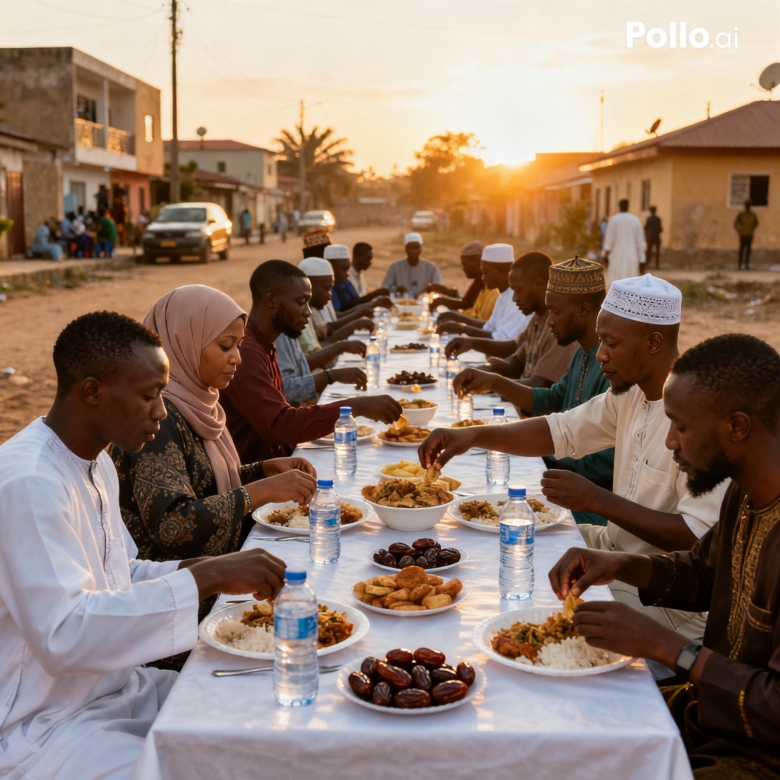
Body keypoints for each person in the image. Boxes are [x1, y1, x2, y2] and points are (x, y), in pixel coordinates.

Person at [0, 310, 289, 779]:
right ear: (92, 391)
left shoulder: (97, 463)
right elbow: (64, 635)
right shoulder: (29, 481)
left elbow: (120, 574)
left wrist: (216, 565)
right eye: (150, 395)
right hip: (42, 727)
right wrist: (207, 576)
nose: (161, 410)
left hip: (118, 692)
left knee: (254, 715)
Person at [420, 274, 728, 641]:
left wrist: (597, 500)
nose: (599, 355)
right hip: (612, 547)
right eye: (601, 341)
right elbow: (559, 430)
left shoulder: (701, 420)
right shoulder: (629, 394)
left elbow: (697, 540)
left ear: (654, 343)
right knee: (509, 540)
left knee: (540, 617)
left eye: (610, 343)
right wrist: (473, 435)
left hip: (665, 593)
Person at [549, 334, 780, 778]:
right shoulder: (743, 493)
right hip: (712, 714)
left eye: (681, 426)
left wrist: (669, 648)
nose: (670, 442)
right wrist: (622, 565)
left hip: (760, 754)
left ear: (737, 426)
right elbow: (704, 574)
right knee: (568, 724)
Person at [109, 285, 316, 669]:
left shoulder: (199, 403)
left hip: (215, 581)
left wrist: (260, 470)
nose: (237, 358)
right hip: (175, 610)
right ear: (183, 343)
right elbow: (173, 524)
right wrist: (259, 492)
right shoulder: (157, 420)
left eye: (238, 346)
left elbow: (201, 483)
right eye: (225, 347)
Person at [452, 256, 614, 526]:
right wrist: (495, 382)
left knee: (503, 517)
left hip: (593, 501)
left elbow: (604, 460)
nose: (549, 321)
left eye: (556, 312)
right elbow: (551, 399)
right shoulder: (583, 355)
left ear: (584, 309)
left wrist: (539, 452)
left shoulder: (611, 367)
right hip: (564, 479)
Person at [221, 260, 402, 462]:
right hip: (253, 476)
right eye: (301, 302)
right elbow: (280, 426)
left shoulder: (266, 345)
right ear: (271, 301)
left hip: (277, 463)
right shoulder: (246, 352)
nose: (308, 311)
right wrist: (354, 407)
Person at [445, 252, 577, 385]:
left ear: (540, 286)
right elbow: (516, 360)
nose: (514, 298)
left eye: (519, 290)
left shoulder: (559, 328)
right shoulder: (537, 318)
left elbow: (540, 387)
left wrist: (493, 383)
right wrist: (487, 368)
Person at [437, 243, 531, 341]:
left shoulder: (516, 300)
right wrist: (456, 318)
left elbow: (502, 341)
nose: (482, 277)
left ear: (502, 272)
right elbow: (489, 327)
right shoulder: (503, 295)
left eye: (485, 272)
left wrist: (462, 328)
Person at [295, 257, 371, 361]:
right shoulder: (296, 316)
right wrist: (341, 347)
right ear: (309, 284)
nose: (330, 295)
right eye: (326, 289)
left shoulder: (308, 311)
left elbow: (317, 348)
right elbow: (303, 363)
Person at [426, 241, 497, 321]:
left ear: (478, 262)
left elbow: (468, 307)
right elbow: (468, 304)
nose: (463, 268)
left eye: (465, 265)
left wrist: (452, 316)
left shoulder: (492, 289)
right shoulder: (479, 282)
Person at [326, 244, 393, 312]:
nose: (348, 274)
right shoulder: (327, 289)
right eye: (344, 269)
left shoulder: (346, 282)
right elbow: (339, 315)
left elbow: (355, 302)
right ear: (331, 268)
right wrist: (373, 303)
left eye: (348, 269)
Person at [381, 232, 442, 298]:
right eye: (411, 248)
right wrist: (396, 289)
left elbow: (439, 288)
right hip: (400, 304)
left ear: (421, 248)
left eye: (416, 247)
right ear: (406, 249)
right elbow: (385, 288)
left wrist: (430, 289)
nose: (413, 251)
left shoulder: (431, 268)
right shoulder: (395, 267)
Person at [603, 199, 644, 286]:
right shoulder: (635, 220)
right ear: (628, 207)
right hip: (631, 254)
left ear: (619, 206)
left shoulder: (614, 220)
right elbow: (640, 242)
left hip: (616, 255)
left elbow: (609, 239)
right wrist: (642, 259)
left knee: (615, 282)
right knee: (630, 283)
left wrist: (605, 255)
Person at [735, 199, 759, 270]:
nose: (748, 206)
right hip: (742, 235)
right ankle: (739, 265)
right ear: (745, 206)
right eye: (747, 205)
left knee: (748, 251)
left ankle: (746, 265)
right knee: (741, 250)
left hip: (750, 235)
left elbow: (756, 223)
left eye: (749, 205)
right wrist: (739, 231)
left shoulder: (753, 215)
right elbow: (736, 223)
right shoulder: (741, 214)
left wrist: (752, 229)